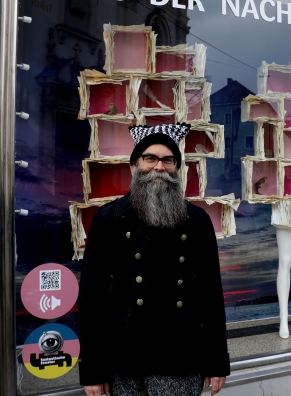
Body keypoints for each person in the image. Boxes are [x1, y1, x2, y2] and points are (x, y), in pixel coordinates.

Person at [78, 123, 230, 396]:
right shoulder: (107, 220)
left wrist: (217, 362)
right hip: (124, 356)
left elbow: (211, 296)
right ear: (134, 165)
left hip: (181, 353)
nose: (159, 167)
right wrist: (92, 370)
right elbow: (92, 301)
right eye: (150, 158)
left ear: (176, 168)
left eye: (168, 160)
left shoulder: (197, 221)